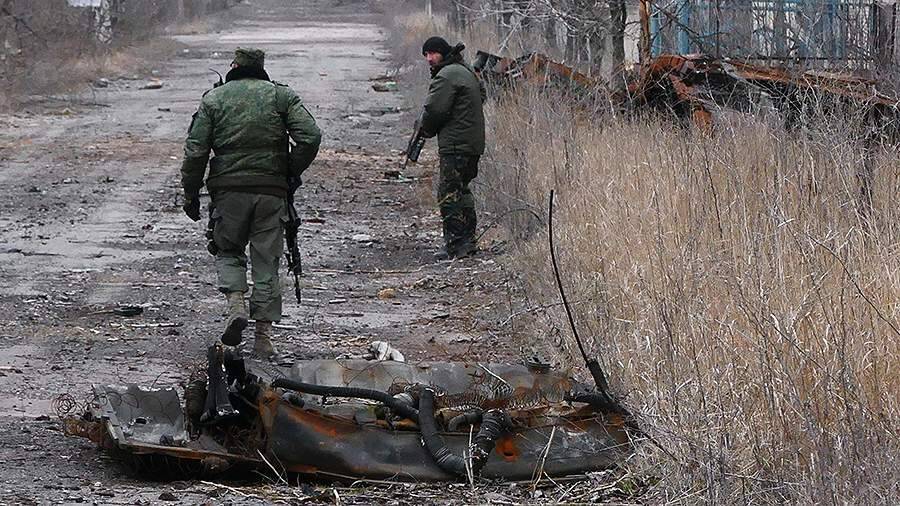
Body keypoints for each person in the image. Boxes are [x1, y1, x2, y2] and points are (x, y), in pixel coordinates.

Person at [180, 47, 321, 359]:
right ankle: (263, 340)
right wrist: (287, 169)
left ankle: (235, 307)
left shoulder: (214, 99)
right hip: (271, 192)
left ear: (233, 66)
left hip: (228, 192)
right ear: (261, 67)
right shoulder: (281, 96)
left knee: (228, 250)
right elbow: (310, 136)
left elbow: (195, 151)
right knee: (266, 262)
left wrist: (190, 193)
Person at [420, 36, 486, 259]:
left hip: (456, 144)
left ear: (442, 52)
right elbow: (482, 95)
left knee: (448, 193)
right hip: (472, 143)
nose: (429, 59)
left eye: (432, 54)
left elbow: (434, 110)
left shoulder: (448, 75)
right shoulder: (463, 70)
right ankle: (467, 243)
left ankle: (456, 245)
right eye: (426, 55)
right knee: (462, 191)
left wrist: (426, 129)